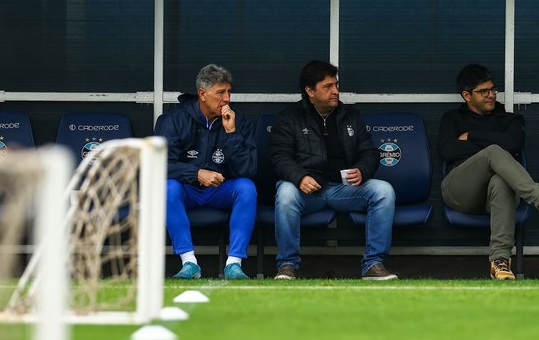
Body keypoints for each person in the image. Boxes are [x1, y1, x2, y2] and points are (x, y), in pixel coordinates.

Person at [439, 64, 539, 280]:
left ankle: (499, 262)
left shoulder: (510, 120)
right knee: (493, 151)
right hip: (459, 190)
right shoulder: (452, 119)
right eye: (484, 92)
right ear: (466, 95)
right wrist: (491, 146)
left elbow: (513, 143)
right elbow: (447, 150)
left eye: (493, 90)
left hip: (494, 197)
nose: (491, 95)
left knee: (502, 181)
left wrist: (470, 136)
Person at [268, 60, 398, 280]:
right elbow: (278, 157)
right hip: (308, 191)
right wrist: (300, 177)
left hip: (344, 190)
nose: (335, 91)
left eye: (336, 85)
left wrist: (362, 170)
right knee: (286, 193)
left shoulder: (350, 116)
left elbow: (370, 152)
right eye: (328, 87)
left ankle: (373, 264)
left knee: (384, 190)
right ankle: (288, 264)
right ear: (310, 91)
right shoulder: (289, 118)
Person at [158, 63, 257, 279]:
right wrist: (196, 173)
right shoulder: (173, 120)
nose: (227, 99)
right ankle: (189, 263)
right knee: (168, 187)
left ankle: (234, 264)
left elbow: (247, 169)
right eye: (220, 92)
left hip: (220, 190)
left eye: (229, 92)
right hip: (188, 190)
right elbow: (159, 166)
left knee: (246, 188)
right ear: (202, 94)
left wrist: (232, 134)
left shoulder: (239, 122)